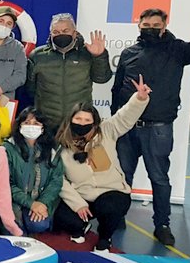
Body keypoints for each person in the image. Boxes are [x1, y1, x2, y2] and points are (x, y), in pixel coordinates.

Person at [112, 7, 190, 246]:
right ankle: (116, 216)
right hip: (127, 128)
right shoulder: (129, 53)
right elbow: (117, 89)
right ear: (139, 26)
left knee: (159, 178)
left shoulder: (177, 50)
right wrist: (115, 122)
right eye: (146, 25)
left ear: (165, 26)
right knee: (122, 176)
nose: (150, 29)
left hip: (158, 128)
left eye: (156, 26)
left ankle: (162, 224)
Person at [55, 76, 153, 252]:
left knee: (108, 207)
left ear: (95, 122)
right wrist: (78, 204)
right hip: (82, 195)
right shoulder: (61, 145)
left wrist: (139, 98)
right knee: (63, 218)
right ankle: (81, 226)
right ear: (70, 120)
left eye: (87, 121)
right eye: (78, 119)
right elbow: (59, 179)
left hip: (111, 193)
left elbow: (124, 117)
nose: (82, 124)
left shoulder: (106, 131)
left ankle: (105, 237)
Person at [26, 13, 111, 131]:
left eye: (65, 31)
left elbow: (102, 78)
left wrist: (99, 56)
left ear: (74, 33)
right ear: (50, 34)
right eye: (56, 32)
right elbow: (30, 89)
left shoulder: (87, 53)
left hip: (78, 123)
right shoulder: (37, 55)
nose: (61, 34)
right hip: (47, 123)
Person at [3, 107, 63, 236]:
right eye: (27, 123)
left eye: (36, 123)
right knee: (14, 231)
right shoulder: (8, 148)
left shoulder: (52, 149)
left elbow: (56, 181)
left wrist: (42, 203)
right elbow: (5, 183)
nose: (31, 126)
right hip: (13, 201)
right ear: (19, 126)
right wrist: (30, 203)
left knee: (39, 224)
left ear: (43, 128)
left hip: (40, 200)